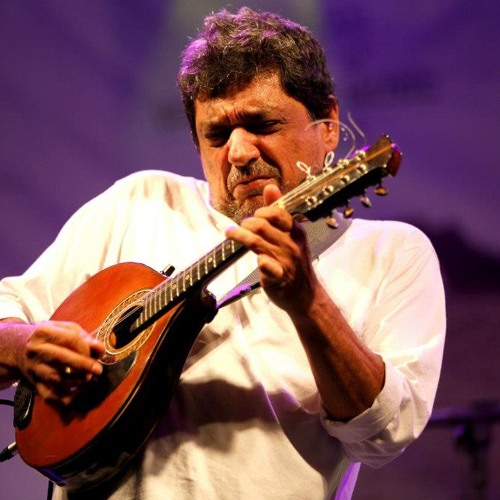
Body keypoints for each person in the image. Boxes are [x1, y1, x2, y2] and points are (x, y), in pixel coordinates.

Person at [0, 7, 445, 499]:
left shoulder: (392, 253)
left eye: (262, 124)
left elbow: (384, 436)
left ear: (329, 126)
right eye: (216, 135)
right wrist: (22, 346)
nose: (238, 152)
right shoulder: (140, 202)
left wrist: (308, 303)